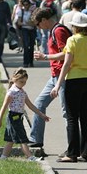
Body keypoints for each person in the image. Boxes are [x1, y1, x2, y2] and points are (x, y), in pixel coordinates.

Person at [51, 12, 87, 163]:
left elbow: (66, 64)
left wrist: (58, 84)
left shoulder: (72, 40)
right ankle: (85, 153)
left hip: (74, 80)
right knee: (86, 117)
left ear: (74, 27)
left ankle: (72, 153)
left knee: (72, 118)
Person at [31, 8, 71, 155]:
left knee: (67, 112)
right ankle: (36, 138)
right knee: (39, 103)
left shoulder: (58, 31)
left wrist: (45, 57)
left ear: (44, 20)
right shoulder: (52, 31)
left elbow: (67, 54)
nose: (38, 27)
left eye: (37, 24)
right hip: (54, 76)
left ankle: (72, 148)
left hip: (63, 76)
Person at [0, 68, 50, 160]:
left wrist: (41, 114)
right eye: (21, 81)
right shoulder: (11, 92)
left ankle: (3, 157)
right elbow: (4, 106)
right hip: (13, 118)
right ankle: (30, 157)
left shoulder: (22, 92)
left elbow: (30, 105)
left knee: (10, 140)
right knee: (22, 138)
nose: (23, 83)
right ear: (14, 80)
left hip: (19, 117)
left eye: (25, 82)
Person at [14, 0, 37, 67]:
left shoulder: (32, 12)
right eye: (24, 5)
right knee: (26, 46)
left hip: (32, 30)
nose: (26, 6)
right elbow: (19, 22)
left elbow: (34, 23)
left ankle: (31, 62)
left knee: (32, 46)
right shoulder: (21, 12)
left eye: (27, 5)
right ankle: (25, 62)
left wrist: (30, 23)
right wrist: (27, 23)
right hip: (25, 30)